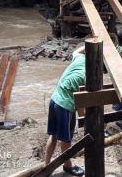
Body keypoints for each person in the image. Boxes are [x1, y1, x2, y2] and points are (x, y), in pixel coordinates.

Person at [44, 45, 86, 176]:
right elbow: (80, 104)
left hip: (54, 99)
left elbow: (76, 51)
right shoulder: (86, 77)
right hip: (65, 105)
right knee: (66, 139)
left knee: (54, 135)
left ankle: (47, 165)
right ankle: (67, 166)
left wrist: (88, 44)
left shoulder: (80, 58)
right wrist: (84, 118)